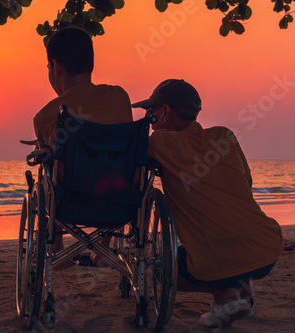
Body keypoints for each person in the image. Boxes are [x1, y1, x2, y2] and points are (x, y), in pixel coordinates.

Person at [131, 79, 284, 328]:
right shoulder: (225, 136)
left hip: (215, 260)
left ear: (166, 112)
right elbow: (247, 183)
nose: (150, 120)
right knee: (233, 249)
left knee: (162, 272)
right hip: (267, 248)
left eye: (151, 114)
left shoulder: (160, 144)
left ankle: (225, 295)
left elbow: (128, 162)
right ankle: (241, 290)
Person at [33, 27, 133, 267]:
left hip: (72, 200)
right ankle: (104, 248)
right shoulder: (119, 96)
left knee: (51, 173)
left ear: (56, 67)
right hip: (119, 199)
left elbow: (52, 160)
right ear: (91, 64)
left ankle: (58, 249)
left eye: (48, 68)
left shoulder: (46, 116)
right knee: (114, 163)